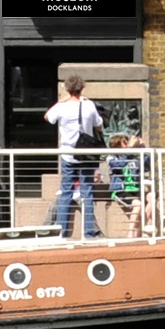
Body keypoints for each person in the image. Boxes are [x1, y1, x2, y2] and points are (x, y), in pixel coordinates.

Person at [44, 77, 107, 239]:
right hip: (85, 154)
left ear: (67, 89)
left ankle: (62, 232)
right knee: (87, 192)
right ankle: (89, 232)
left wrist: (63, 100)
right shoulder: (89, 105)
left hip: (67, 155)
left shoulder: (62, 107)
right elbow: (98, 125)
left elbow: (47, 117)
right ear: (82, 88)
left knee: (66, 192)